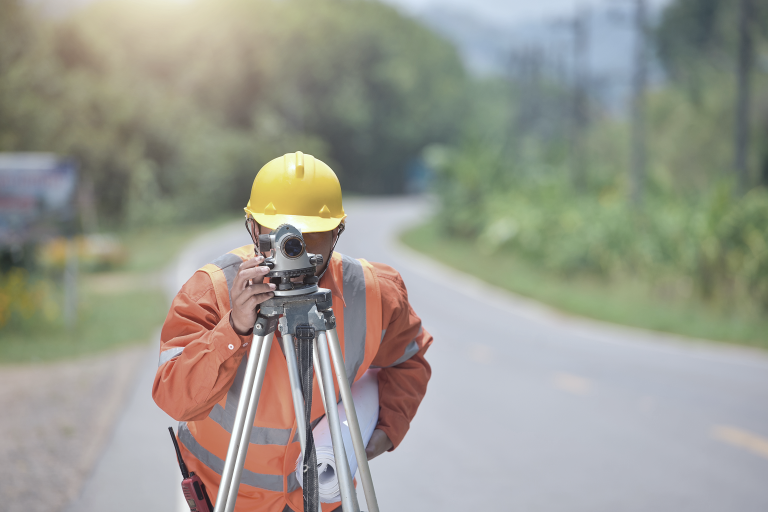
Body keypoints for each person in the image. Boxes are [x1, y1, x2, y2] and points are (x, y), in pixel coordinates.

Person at [153, 151, 433, 512]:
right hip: (229, 498)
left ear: (337, 232)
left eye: (309, 238)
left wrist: (384, 430)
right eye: (278, 236)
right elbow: (176, 399)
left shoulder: (373, 292)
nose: (292, 252)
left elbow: (409, 360)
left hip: (324, 500)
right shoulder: (211, 292)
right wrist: (235, 326)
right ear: (252, 227)